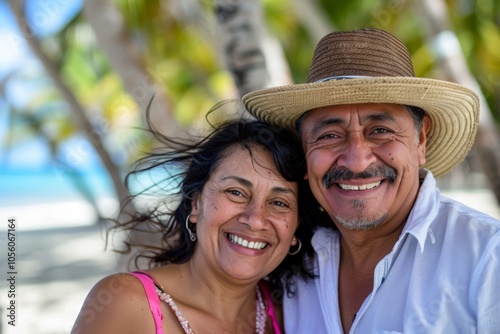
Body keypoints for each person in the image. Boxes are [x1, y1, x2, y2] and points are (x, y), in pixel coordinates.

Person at [243, 28, 500, 333]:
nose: (357, 160)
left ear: (420, 139)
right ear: (304, 151)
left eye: (380, 130)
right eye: (329, 136)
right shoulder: (286, 265)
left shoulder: (488, 258)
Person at [71, 110, 320, 334]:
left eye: (279, 203)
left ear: (295, 228)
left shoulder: (287, 312)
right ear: (195, 203)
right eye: (235, 192)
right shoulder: (128, 304)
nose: (255, 219)